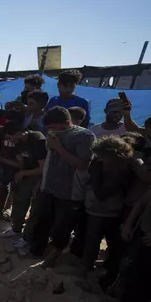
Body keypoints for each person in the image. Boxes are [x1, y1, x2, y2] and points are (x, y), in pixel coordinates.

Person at [27, 106, 95, 264]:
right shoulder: (52, 133)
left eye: (53, 127)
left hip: (69, 194)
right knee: (41, 224)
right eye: (48, 127)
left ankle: (55, 256)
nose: (50, 130)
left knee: (61, 229)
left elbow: (82, 164)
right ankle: (35, 252)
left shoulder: (84, 136)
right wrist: (41, 182)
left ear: (66, 123)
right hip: (49, 188)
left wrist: (59, 147)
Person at [70, 136, 133, 282]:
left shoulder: (121, 168)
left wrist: (95, 176)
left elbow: (102, 192)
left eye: (102, 156)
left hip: (109, 210)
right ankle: (89, 267)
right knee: (93, 240)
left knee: (101, 241)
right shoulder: (101, 162)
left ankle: (98, 271)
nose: (100, 158)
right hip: (96, 208)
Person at [0, 122, 47, 239]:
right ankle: (16, 228)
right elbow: (20, 164)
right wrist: (2, 159)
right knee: (18, 198)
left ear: (19, 133)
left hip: (41, 177)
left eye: (10, 137)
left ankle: (28, 236)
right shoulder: (19, 143)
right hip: (27, 173)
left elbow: (43, 168)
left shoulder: (37, 140)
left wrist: (23, 173)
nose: (9, 141)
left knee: (35, 207)